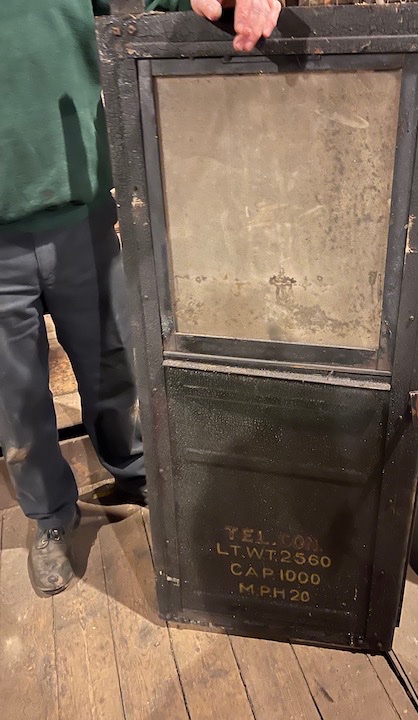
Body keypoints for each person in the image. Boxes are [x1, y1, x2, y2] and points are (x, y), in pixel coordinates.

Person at [0, 0, 280, 596]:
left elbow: (159, 9)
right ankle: (50, 517)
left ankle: (136, 471)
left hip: (82, 215)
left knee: (114, 361)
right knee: (15, 399)